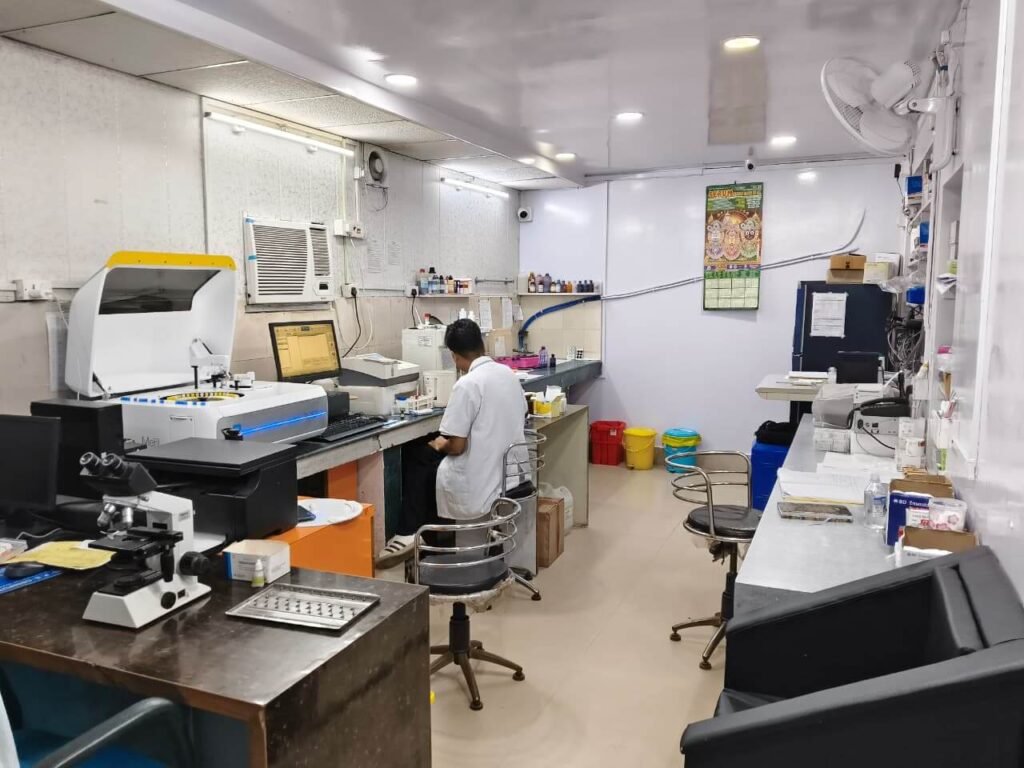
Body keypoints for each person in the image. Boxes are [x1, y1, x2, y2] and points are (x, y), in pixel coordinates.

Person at [377, 319, 528, 567]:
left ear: (454, 356)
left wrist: (440, 444)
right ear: (481, 344)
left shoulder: (467, 384)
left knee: (418, 457)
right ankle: (423, 535)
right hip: (511, 473)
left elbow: (457, 447)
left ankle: (411, 532)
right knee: (427, 461)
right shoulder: (507, 374)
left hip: (481, 477)